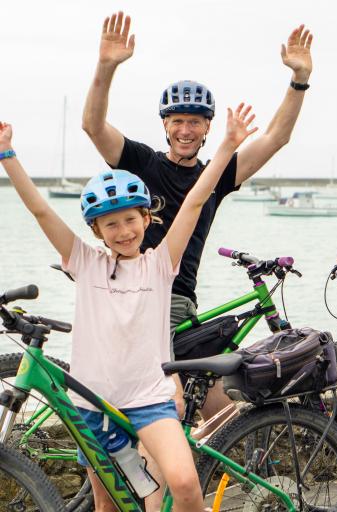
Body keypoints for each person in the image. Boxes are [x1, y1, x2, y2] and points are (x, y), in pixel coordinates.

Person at [0, 103, 257, 511]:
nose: (123, 231)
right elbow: (40, 209)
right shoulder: (85, 262)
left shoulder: (161, 265)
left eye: (130, 220)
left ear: (146, 218)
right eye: (110, 224)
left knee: (186, 484)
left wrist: (226, 146)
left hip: (149, 401)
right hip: (93, 404)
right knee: (108, 505)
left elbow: (193, 202)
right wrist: (7, 156)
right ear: (97, 231)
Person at [82, 11, 313, 427]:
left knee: (220, 409)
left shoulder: (217, 175)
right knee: (168, 405)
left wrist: (298, 81)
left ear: (208, 128)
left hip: (180, 301)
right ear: (165, 126)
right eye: (177, 122)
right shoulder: (140, 163)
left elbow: (277, 136)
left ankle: (205, 481)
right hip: (136, 297)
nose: (185, 130)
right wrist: (106, 66)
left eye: (194, 122)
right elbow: (93, 125)